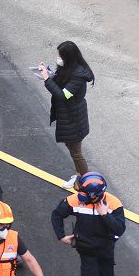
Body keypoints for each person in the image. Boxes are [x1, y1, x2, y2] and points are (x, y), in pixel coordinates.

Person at [51, 172, 125, 276]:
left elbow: (120, 228)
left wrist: (104, 214)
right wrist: (61, 236)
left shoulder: (114, 204)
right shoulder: (76, 200)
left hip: (106, 251)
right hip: (86, 250)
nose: (79, 195)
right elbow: (57, 214)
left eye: (84, 193)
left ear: (96, 195)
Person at [36, 41, 94, 188]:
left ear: (68, 57)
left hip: (73, 120)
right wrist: (47, 72)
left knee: (76, 152)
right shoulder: (69, 68)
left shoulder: (78, 76)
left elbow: (63, 95)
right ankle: (80, 176)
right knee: (73, 149)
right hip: (69, 117)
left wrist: (46, 80)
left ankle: (86, 182)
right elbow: (61, 80)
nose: (58, 58)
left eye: (60, 55)